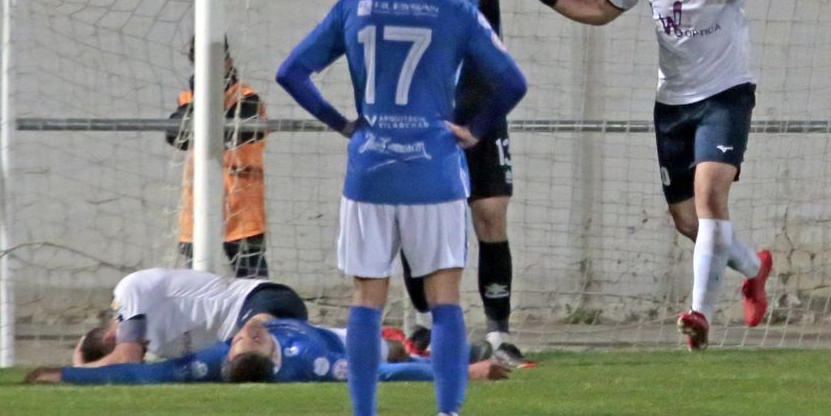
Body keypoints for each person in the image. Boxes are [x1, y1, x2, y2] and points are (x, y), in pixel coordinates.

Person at [284, 0, 596, 365]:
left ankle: (498, 330)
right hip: (424, 115)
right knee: (413, 219)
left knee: (490, 215)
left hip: (479, 111)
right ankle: (426, 322)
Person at [277, 0, 528, 416]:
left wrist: (342, 123)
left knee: (367, 299)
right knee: (444, 299)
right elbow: (512, 81)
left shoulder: (355, 6)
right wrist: (474, 128)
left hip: (369, 169)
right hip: (434, 169)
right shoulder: (456, 10)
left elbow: (292, 72)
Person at [524, 0, 794, 351]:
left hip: (726, 96)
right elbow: (602, 10)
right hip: (672, 104)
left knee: (711, 197)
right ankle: (752, 268)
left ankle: (700, 316)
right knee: (688, 221)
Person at [26, 317, 511, 385]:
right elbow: (381, 378)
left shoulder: (214, 361)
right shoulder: (316, 363)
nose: (245, 331)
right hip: (352, 338)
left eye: (239, 337)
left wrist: (66, 376)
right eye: (249, 336)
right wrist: (468, 372)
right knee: (400, 354)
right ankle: (473, 353)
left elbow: (144, 377)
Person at [167, 37, 269, 278]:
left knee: (252, 285)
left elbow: (226, 133)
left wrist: (207, 96)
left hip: (243, 213)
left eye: (215, 61)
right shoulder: (187, 99)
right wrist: (200, 91)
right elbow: (176, 138)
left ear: (228, 61)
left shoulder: (247, 97)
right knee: (197, 288)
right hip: (197, 211)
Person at [73, 268, 309, 367]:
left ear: (108, 338)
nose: (143, 353)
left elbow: (127, 358)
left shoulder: (128, 291)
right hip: (250, 333)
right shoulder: (159, 347)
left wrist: (78, 370)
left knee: (252, 345)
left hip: (260, 299)